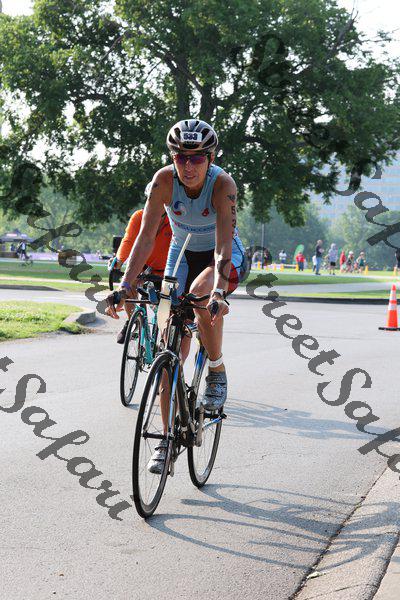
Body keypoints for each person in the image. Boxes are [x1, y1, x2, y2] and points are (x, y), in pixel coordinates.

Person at [105, 118, 246, 473]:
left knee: (200, 297)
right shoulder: (163, 181)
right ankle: (166, 442)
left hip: (219, 255)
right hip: (180, 254)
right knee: (167, 347)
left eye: (197, 158)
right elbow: (145, 237)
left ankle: (216, 369)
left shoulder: (223, 185)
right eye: (181, 157)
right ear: (172, 158)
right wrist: (125, 285)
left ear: (210, 158)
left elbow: (223, 246)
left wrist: (218, 291)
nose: (188, 165)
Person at [109, 203, 172, 343]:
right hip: (142, 266)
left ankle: (165, 342)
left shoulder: (173, 219)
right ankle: (133, 320)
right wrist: (119, 260)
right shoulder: (139, 217)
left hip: (166, 270)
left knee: (166, 309)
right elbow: (128, 240)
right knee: (129, 284)